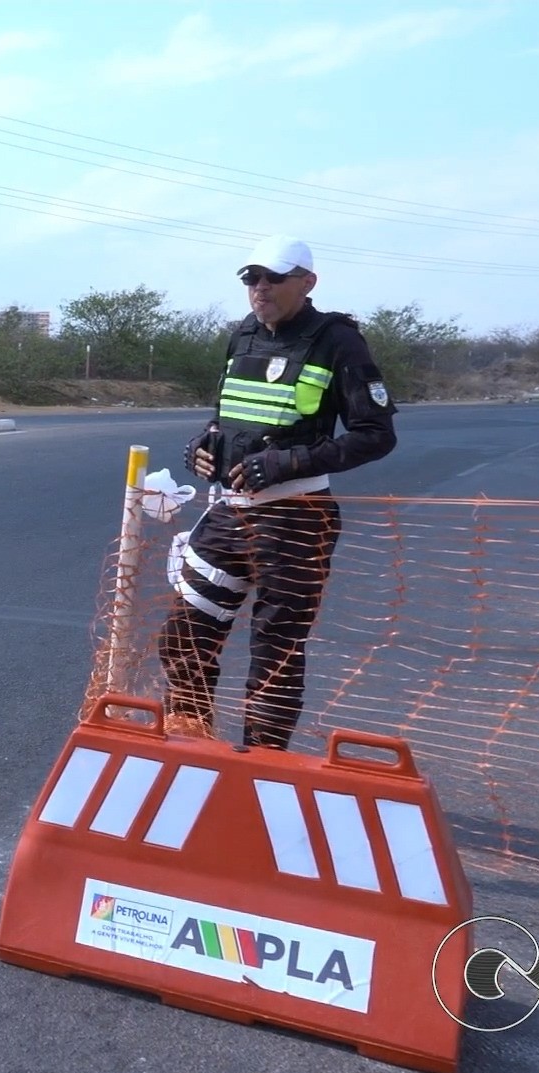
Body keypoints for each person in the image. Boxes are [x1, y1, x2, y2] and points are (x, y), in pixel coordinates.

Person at [157, 235, 398, 749]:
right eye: (251, 278)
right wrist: (205, 443)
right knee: (183, 636)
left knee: (275, 653)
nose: (260, 288)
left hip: (296, 519)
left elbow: (377, 434)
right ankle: (191, 743)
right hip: (229, 514)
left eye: (273, 278)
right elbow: (229, 416)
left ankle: (262, 766)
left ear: (307, 282)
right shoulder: (242, 334)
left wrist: (293, 460)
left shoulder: (339, 341)